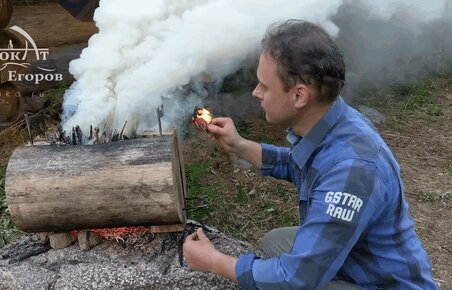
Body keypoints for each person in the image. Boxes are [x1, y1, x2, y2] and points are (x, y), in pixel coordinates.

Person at [182, 19, 437, 290]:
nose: (256, 93)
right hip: (355, 260)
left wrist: (214, 261)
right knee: (275, 242)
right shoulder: (333, 121)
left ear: (300, 96)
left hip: (378, 282)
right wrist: (239, 144)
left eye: (265, 86)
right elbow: (295, 164)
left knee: (288, 274)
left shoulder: (351, 170)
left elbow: (297, 279)